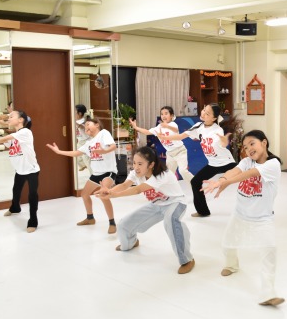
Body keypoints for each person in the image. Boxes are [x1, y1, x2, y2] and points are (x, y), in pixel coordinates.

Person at [202, 130, 285, 306]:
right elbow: (235, 170)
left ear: (264, 142)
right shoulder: (247, 161)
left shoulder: (273, 164)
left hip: (263, 218)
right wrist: (223, 179)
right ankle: (232, 265)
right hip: (240, 214)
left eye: (252, 144)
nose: (248, 149)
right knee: (227, 244)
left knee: (269, 251)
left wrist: (226, 182)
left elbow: (251, 174)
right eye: (245, 147)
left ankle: (268, 293)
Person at [96, 146, 195, 274]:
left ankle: (187, 259)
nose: (136, 167)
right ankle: (131, 242)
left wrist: (114, 195)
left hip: (175, 202)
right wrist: (109, 191)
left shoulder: (162, 174)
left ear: (151, 164)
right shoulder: (136, 173)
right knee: (124, 224)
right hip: (156, 204)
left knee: (171, 221)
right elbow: (124, 185)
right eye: (134, 163)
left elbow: (138, 189)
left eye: (140, 164)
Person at [160, 103, 237, 218]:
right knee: (195, 182)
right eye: (204, 110)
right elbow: (181, 136)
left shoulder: (217, 130)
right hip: (213, 164)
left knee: (246, 178)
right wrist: (166, 138)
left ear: (214, 118)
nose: (204, 113)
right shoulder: (198, 126)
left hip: (227, 163)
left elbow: (222, 143)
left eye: (207, 113)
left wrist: (224, 141)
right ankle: (203, 211)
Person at [46, 117, 118, 234]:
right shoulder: (89, 143)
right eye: (85, 127)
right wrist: (59, 152)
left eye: (88, 124)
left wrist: (103, 151)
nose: (86, 127)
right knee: (84, 194)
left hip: (108, 172)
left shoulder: (104, 133)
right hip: (96, 173)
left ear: (97, 125)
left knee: (103, 195)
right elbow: (76, 153)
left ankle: (112, 223)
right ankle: (90, 218)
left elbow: (113, 146)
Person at [129, 105, 193, 182]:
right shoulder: (159, 127)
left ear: (171, 116)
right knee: (169, 174)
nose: (164, 116)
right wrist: (136, 127)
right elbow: (147, 132)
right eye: (162, 114)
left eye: (166, 113)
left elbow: (175, 130)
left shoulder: (173, 124)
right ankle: (169, 188)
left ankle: (195, 183)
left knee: (183, 171)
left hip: (180, 151)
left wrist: (167, 126)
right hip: (170, 154)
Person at [74, 104, 91, 172]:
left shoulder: (84, 121)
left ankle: (92, 173)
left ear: (80, 113)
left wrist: (75, 123)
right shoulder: (76, 121)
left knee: (86, 159)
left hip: (86, 141)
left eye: (75, 112)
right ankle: (83, 165)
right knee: (76, 154)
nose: (73, 113)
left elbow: (82, 127)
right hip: (80, 141)